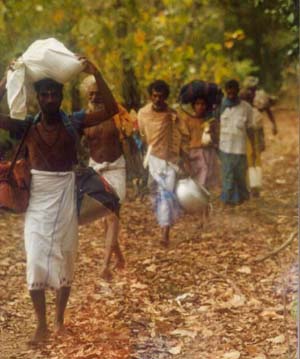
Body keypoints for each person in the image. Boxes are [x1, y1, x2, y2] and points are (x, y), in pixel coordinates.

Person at [0, 58, 118, 344]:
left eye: (55, 93)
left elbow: (111, 109)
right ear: (37, 98)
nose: (50, 99)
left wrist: (96, 71)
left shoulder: (73, 122)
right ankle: (40, 324)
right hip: (38, 196)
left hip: (66, 192)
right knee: (36, 258)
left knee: (65, 257)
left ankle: (59, 321)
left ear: (61, 96)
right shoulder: (27, 127)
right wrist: (6, 81)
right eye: (45, 94)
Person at [80, 75, 130, 280]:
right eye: (91, 94)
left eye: (98, 93)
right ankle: (119, 257)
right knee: (103, 220)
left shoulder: (118, 115)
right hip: (95, 169)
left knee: (111, 215)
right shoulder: (84, 118)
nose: (94, 97)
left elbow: (129, 142)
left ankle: (105, 265)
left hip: (116, 169)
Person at [137, 80, 189, 247]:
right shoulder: (143, 113)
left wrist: (182, 155)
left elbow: (184, 134)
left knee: (166, 194)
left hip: (170, 160)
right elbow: (142, 135)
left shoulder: (173, 115)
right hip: (152, 159)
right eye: (154, 96)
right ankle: (165, 220)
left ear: (165, 97)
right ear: (150, 95)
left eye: (161, 96)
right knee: (154, 193)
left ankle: (165, 232)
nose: (157, 99)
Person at [184, 96, 220, 223]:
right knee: (199, 185)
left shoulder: (211, 120)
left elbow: (216, 138)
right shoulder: (188, 120)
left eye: (203, 104)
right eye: (197, 104)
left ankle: (205, 214)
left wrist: (210, 131)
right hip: (194, 155)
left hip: (208, 153)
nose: (200, 107)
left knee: (206, 185)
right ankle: (201, 215)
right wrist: (185, 158)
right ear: (193, 106)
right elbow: (185, 139)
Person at [219, 79, 255, 206]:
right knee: (228, 176)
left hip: (240, 149)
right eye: (229, 93)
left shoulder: (246, 108)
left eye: (234, 93)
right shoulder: (220, 105)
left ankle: (243, 200)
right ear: (225, 91)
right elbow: (213, 125)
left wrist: (253, 148)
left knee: (240, 177)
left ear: (238, 91)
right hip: (224, 148)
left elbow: (250, 128)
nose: (231, 95)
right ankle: (226, 202)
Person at [240, 88, 264, 197]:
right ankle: (253, 187)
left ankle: (254, 188)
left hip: (251, 140)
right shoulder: (254, 112)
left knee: (251, 163)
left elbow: (258, 129)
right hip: (250, 141)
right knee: (252, 163)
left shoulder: (253, 113)